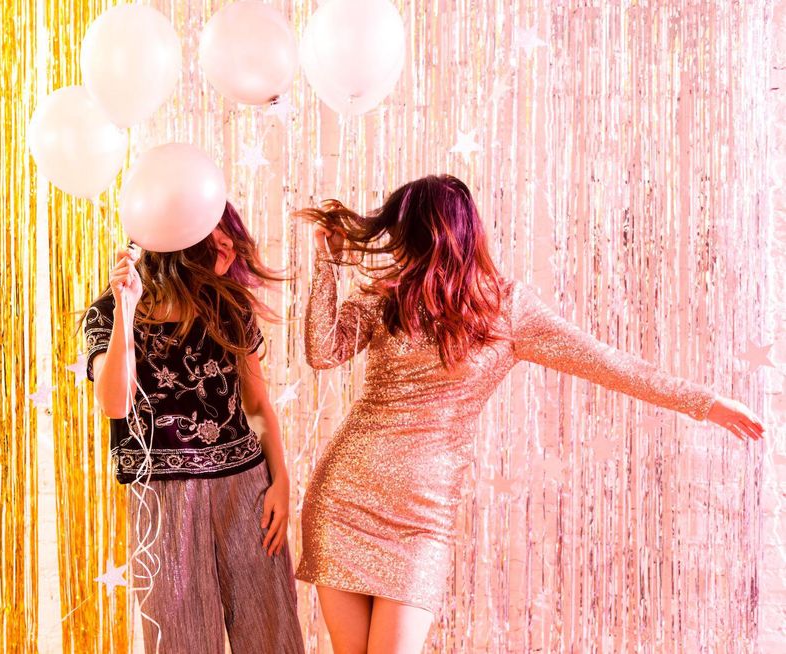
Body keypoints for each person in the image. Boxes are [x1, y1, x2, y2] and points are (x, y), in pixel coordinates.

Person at [295, 174, 764, 654]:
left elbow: (608, 363)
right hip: (345, 498)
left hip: (421, 519)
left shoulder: (506, 307)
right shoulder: (387, 296)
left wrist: (704, 403)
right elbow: (323, 350)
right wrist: (328, 263)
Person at [83, 202, 305, 654]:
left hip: (246, 489)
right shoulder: (109, 312)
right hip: (162, 499)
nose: (226, 249)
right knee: (180, 642)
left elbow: (257, 403)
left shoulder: (229, 307)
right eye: (215, 238)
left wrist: (281, 480)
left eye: (230, 240)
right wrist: (126, 312)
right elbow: (113, 403)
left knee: (271, 634)